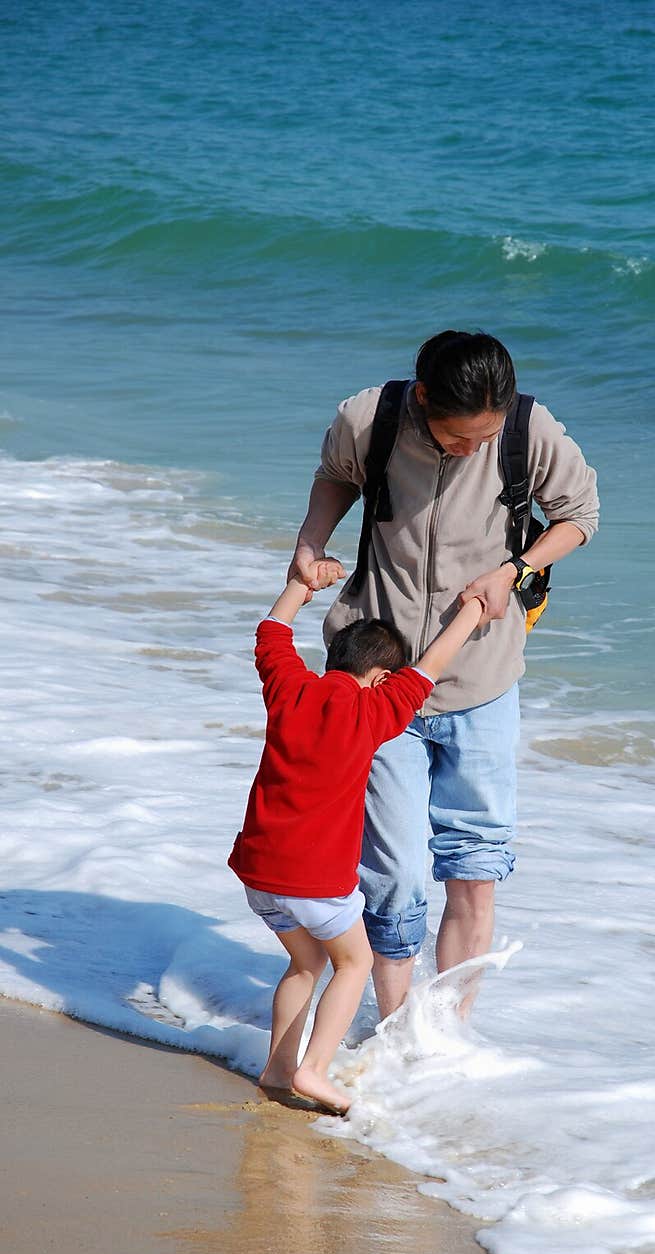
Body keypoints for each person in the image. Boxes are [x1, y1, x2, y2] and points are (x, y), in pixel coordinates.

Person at [289, 330, 599, 1021]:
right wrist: (310, 544)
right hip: (377, 682)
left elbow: (580, 516)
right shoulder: (370, 420)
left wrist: (515, 569)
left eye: (486, 437)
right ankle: (400, 1030)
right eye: (460, 438)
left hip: (481, 679)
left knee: (475, 869)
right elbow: (336, 475)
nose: (473, 450)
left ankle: (447, 1037)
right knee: (393, 877)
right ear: (423, 399)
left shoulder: (527, 429)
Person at [227, 562, 492, 1114]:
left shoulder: (289, 687)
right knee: (354, 962)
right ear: (379, 678)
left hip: (258, 872)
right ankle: (314, 1071)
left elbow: (270, 634)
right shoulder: (375, 709)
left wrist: (302, 583)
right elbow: (432, 665)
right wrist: (473, 609)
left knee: (305, 964)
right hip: (315, 879)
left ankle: (277, 1069)